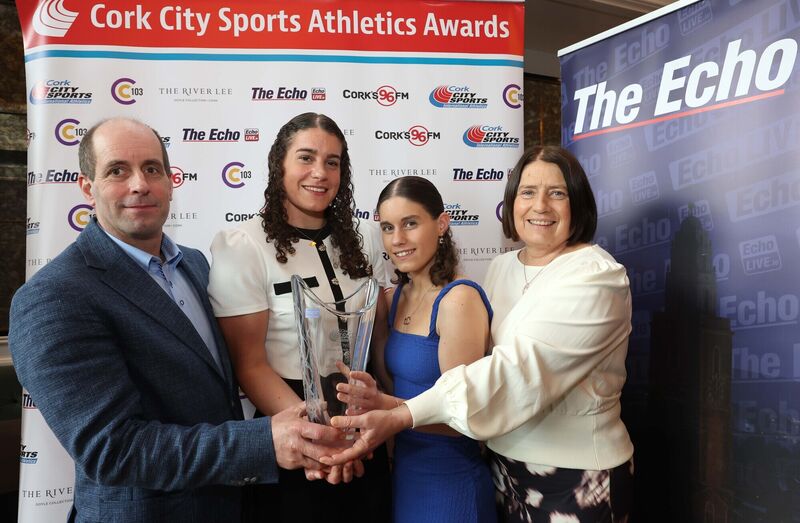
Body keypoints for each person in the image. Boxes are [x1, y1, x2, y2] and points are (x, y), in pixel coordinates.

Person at [8, 118, 348, 523]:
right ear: (87, 187)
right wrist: (263, 442)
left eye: (152, 169)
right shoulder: (54, 296)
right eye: (117, 171)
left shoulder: (195, 265)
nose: (139, 184)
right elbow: (111, 449)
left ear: (170, 181)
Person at [326, 146, 635, 522]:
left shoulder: (596, 276)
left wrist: (400, 414)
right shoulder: (502, 267)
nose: (540, 206)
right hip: (502, 469)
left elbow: (516, 373)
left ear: (579, 203)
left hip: (574, 475)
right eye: (527, 192)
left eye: (557, 193)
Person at [207, 112, 391, 522]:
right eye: (306, 158)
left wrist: (381, 421)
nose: (320, 173)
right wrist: (318, 440)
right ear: (280, 165)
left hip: (365, 428)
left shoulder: (368, 239)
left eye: (332, 162)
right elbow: (249, 364)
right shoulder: (244, 245)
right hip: (292, 433)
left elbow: (380, 341)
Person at [336, 176, 496, 522]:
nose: (398, 240)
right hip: (405, 479)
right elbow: (391, 388)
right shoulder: (391, 300)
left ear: (441, 224)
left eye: (411, 224)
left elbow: (463, 418)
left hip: (451, 484)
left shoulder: (458, 300)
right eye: (388, 227)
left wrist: (385, 410)